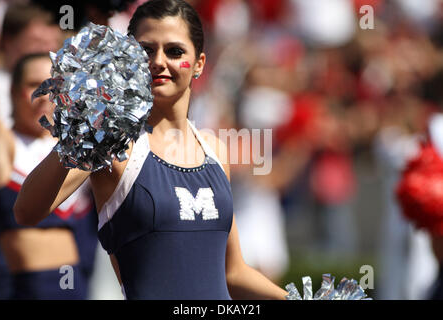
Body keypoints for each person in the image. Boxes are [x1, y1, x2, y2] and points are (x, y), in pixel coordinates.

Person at [15, 0, 288, 300]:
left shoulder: (215, 151)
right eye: (146, 50)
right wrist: (82, 129)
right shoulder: (114, 144)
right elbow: (27, 211)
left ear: (199, 63)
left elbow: (233, 273)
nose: (158, 61)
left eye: (175, 51)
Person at [0, 53, 93, 299]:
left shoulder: (77, 147)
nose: (44, 96)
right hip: (22, 287)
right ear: (14, 92)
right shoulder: (5, 143)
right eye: (34, 86)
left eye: (53, 87)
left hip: (74, 285)